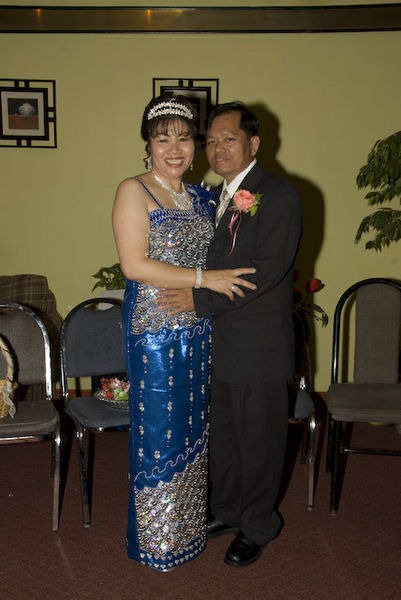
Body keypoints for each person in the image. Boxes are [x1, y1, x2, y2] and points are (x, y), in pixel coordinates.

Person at [112, 94, 256, 572]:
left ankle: (188, 529)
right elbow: (134, 265)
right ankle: (158, 541)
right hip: (154, 332)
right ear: (147, 145)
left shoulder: (201, 197)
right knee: (159, 431)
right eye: (162, 139)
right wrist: (204, 279)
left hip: (199, 329)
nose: (174, 149)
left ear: (195, 145)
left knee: (196, 428)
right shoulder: (134, 190)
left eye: (184, 138)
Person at [157, 101, 302, 567]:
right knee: (223, 435)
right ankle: (227, 510)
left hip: (258, 345)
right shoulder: (213, 196)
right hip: (217, 342)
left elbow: (265, 271)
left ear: (253, 144)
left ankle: (258, 525)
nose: (218, 148)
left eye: (229, 139)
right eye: (212, 141)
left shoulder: (277, 194)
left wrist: (198, 301)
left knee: (259, 441)